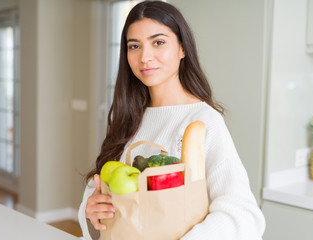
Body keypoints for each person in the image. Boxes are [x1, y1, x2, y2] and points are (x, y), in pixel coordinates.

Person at [78, 1, 265, 239]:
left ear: (182, 48)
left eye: (158, 42)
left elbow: (242, 215)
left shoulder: (203, 121)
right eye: (134, 46)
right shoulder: (129, 118)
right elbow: (98, 192)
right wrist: (92, 210)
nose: (145, 57)